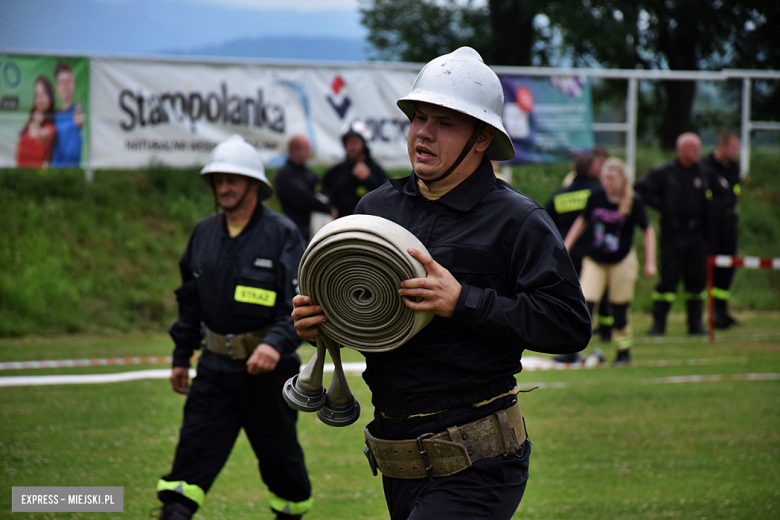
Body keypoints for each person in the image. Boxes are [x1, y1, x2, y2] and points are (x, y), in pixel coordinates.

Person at [292, 47, 591, 520]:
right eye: (419, 118)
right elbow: (362, 314)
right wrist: (320, 323)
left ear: (481, 138)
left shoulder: (519, 220)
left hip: (481, 465)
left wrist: (463, 301)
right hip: (398, 464)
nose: (424, 133)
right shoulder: (374, 210)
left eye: (446, 123)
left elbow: (570, 325)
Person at [156, 135, 312, 520]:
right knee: (188, 468)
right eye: (218, 180)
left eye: (233, 180)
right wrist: (181, 356)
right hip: (213, 372)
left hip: (269, 377)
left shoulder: (283, 235)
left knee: (282, 465)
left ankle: (290, 513)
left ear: (254, 186)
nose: (224, 188)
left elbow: (303, 304)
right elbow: (189, 304)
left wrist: (275, 343)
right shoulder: (203, 235)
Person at [564, 158, 657, 364]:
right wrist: (566, 246)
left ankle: (623, 351)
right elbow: (582, 222)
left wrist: (651, 262)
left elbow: (648, 231)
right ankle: (572, 349)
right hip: (595, 259)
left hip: (622, 260)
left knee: (619, 307)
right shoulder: (596, 197)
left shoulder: (633, 201)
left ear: (623, 180)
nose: (606, 183)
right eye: (604, 178)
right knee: (585, 302)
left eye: (611, 179)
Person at [635, 132, 724, 336]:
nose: (698, 152)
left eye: (699, 148)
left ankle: (695, 324)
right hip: (673, 234)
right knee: (668, 280)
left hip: (698, 235)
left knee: (696, 280)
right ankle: (659, 323)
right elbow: (640, 188)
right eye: (693, 148)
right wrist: (662, 206)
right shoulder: (666, 171)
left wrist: (711, 211)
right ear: (681, 150)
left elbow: (723, 193)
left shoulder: (704, 171)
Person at [544, 152, 604, 362]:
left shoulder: (560, 194)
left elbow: (544, 220)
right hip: (593, 253)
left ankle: (572, 345)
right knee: (594, 298)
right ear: (592, 169)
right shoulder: (598, 192)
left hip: (565, 253)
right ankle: (603, 334)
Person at [702, 131, 741, 328]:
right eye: (734, 147)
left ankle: (722, 310)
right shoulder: (706, 166)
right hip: (712, 225)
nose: (737, 151)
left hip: (729, 224)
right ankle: (710, 312)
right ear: (722, 146)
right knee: (711, 266)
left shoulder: (734, 167)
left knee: (728, 265)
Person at [274, 134, 337, 240]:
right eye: (306, 148)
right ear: (294, 150)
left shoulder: (308, 173)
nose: (310, 153)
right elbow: (304, 198)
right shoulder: (285, 176)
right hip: (297, 232)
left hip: (313, 231)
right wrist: (328, 209)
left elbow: (322, 191)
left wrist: (329, 206)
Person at [322, 120, 389, 217]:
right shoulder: (335, 171)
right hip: (339, 225)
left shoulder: (375, 169)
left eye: (355, 142)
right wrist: (330, 208)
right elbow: (324, 192)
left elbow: (386, 194)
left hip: (367, 224)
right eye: (348, 142)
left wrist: (369, 178)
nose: (351, 147)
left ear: (364, 143)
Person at [15, 76, 56, 167]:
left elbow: (46, 135)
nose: (40, 98)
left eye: (44, 93)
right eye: (37, 95)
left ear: (50, 95)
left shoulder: (53, 123)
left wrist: (37, 126)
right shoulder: (30, 121)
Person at [51, 62, 84, 168]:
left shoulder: (80, 111)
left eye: (68, 81)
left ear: (73, 85)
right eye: (62, 82)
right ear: (57, 87)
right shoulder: (51, 116)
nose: (65, 86)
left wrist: (80, 124)